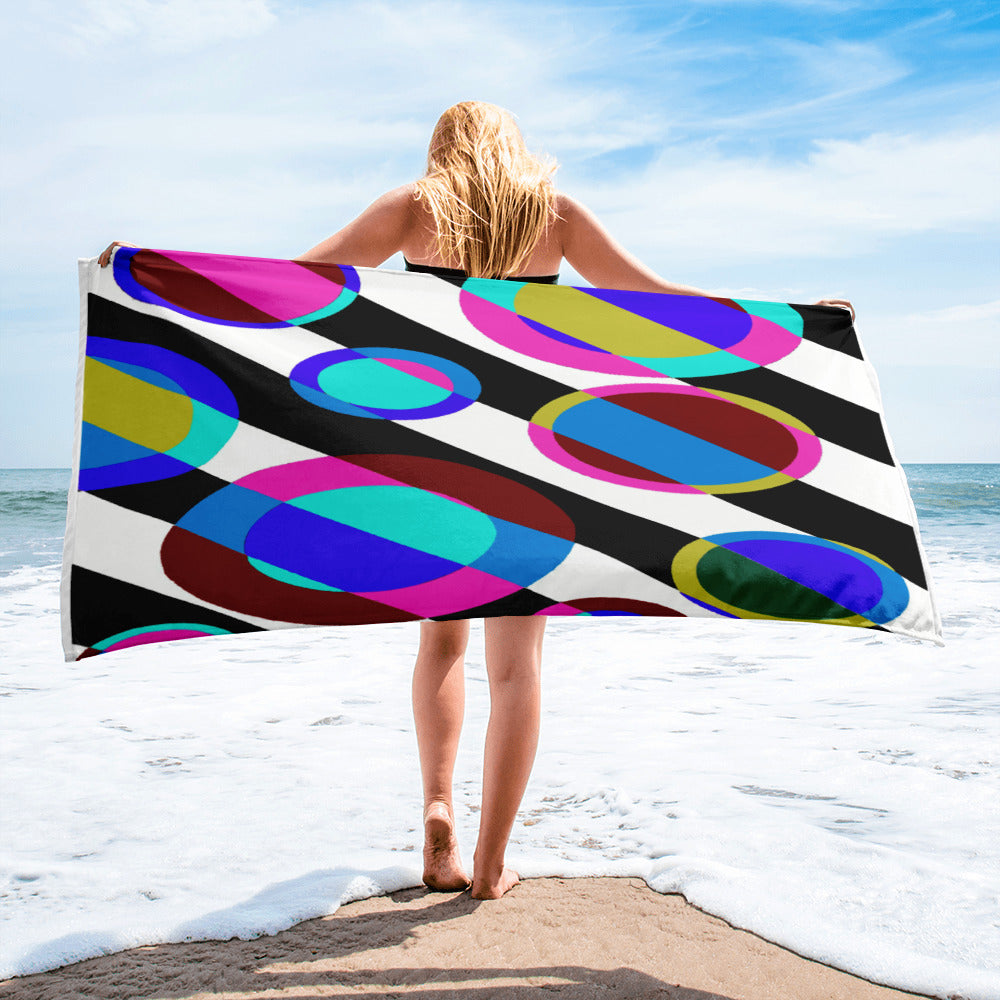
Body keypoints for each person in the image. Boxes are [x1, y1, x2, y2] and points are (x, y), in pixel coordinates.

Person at [99, 100, 853, 901]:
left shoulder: (413, 207)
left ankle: (436, 809)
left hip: (429, 460)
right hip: (527, 467)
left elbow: (293, 283)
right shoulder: (554, 214)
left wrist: (145, 283)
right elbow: (660, 301)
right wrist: (801, 324)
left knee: (440, 647)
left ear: (443, 149)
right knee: (518, 671)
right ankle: (491, 866)